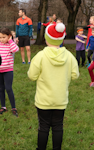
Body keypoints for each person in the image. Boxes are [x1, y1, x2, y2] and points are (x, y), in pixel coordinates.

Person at [26, 22, 79, 150]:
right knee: (58, 126)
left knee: (43, 127)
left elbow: (32, 76)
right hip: (60, 99)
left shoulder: (40, 56)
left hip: (43, 100)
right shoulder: (69, 56)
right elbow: (75, 75)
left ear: (46, 38)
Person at [0, 28, 19, 115]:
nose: (2, 39)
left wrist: (11, 41)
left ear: (9, 36)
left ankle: (13, 108)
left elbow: (15, 50)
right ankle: (3, 107)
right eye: (0, 37)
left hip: (8, 70)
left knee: (8, 88)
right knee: (1, 88)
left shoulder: (11, 45)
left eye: (4, 37)